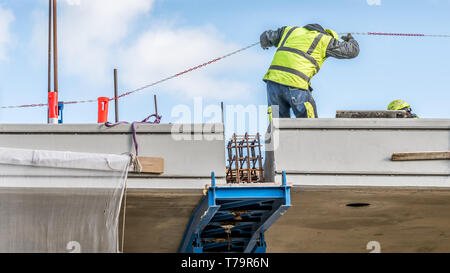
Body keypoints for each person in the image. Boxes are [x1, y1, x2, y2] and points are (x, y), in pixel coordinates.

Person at [261, 24, 360, 121]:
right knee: (309, 122)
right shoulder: (325, 40)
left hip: (272, 83)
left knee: (277, 123)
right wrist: (351, 40)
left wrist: (265, 42)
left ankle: (276, 137)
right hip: (296, 83)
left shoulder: (290, 30)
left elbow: (267, 36)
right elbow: (352, 50)